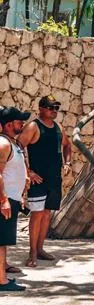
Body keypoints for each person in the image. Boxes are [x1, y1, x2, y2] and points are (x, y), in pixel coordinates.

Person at [18, 95, 72, 266]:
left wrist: (68, 162)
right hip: (38, 181)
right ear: (41, 108)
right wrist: (28, 171)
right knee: (37, 214)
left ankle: (40, 249)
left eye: (56, 108)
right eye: (50, 107)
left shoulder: (58, 128)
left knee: (47, 214)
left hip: (54, 179)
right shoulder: (33, 126)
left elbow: (67, 145)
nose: (54, 111)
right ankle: (32, 252)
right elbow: (18, 147)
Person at [0, 107, 31, 292]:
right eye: (19, 121)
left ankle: (2, 273)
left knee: (3, 239)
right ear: (10, 124)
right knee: (1, 240)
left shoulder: (12, 143)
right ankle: (2, 281)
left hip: (11, 198)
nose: (23, 124)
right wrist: (3, 199)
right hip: (4, 200)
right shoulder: (3, 144)